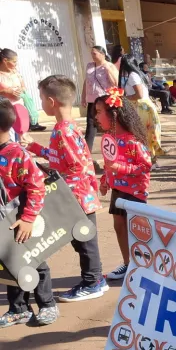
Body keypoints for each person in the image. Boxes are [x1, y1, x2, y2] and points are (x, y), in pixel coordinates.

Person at [30, 75, 106, 301]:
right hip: (79, 196)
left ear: (52, 102)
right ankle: (95, 279)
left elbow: (76, 166)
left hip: (76, 198)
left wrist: (55, 183)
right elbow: (63, 158)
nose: (41, 103)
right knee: (83, 241)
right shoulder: (66, 127)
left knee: (85, 242)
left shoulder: (63, 130)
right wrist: (36, 148)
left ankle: (92, 282)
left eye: (42, 98)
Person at [0, 98, 58, 327]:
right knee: (9, 265)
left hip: (20, 221)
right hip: (3, 224)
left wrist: (28, 218)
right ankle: (18, 309)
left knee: (35, 262)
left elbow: (36, 186)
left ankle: (47, 304)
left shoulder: (17, 154)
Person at [93, 88, 152, 280]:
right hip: (118, 191)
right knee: (119, 226)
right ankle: (128, 264)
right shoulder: (109, 140)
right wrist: (105, 181)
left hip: (135, 193)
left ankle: (144, 265)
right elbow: (108, 166)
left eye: (99, 111)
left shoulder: (133, 141)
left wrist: (120, 167)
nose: (96, 116)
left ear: (114, 114)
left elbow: (145, 166)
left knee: (137, 230)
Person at [120, 55, 165, 164]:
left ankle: (148, 160)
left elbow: (139, 94)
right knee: (149, 133)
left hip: (140, 108)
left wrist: (124, 98)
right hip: (146, 106)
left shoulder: (132, 76)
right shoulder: (139, 74)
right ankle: (152, 160)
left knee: (142, 133)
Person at [0, 49, 30, 142]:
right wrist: (5, 91)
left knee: (21, 135)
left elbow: (24, 87)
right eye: (14, 62)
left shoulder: (16, 72)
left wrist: (21, 90)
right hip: (5, 111)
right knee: (8, 135)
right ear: (5, 61)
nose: (16, 64)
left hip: (19, 109)